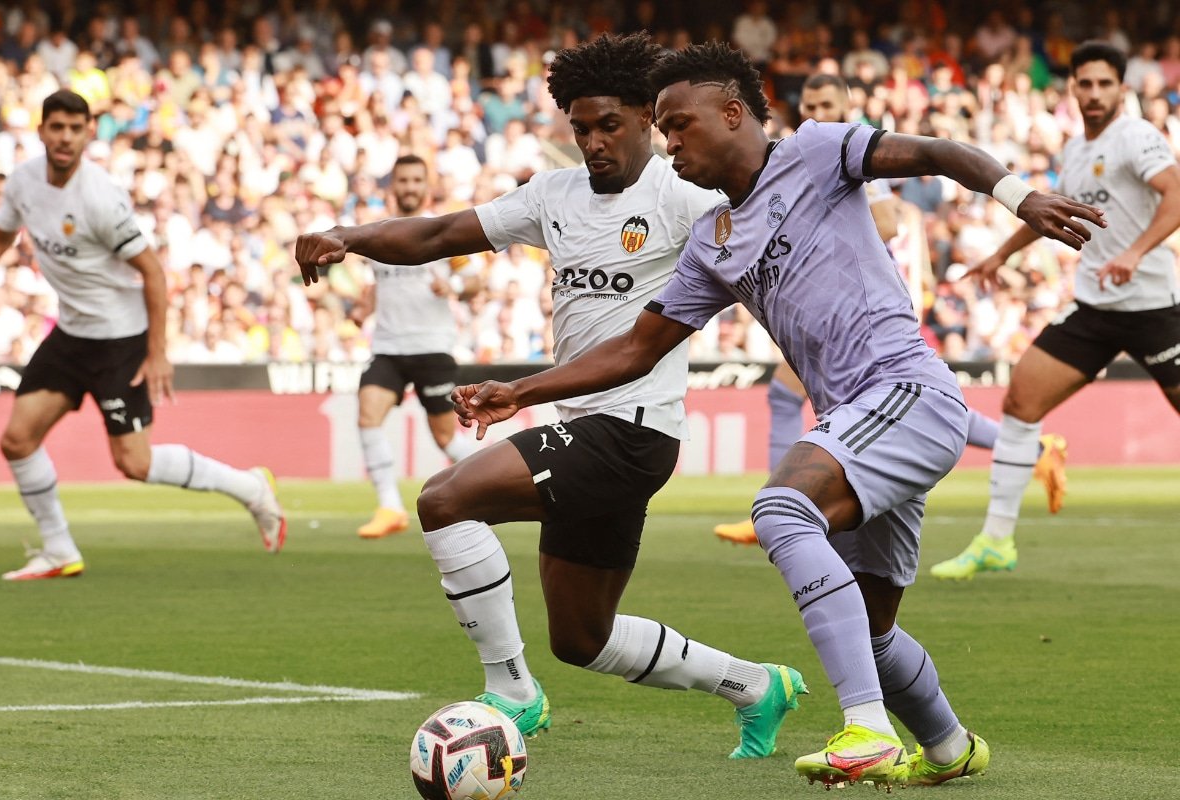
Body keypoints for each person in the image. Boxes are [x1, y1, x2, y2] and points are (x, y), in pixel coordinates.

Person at [453, 42, 1102, 788]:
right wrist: (524, 391)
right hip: (860, 422)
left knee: (782, 509)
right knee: (873, 625)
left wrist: (1022, 197)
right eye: (663, 130)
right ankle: (951, 746)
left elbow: (939, 152)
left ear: (733, 113)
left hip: (906, 390)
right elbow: (637, 348)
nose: (669, 144)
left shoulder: (819, 151)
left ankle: (866, 730)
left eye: (678, 125)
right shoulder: (712, 242)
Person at [295, 33, 807, 760]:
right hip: (590, 428)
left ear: (646, 121)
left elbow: (762, 270)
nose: (594, 143)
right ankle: (757, 686)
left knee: (445, 500)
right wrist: (348, 237)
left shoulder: (683, 199)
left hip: (631, 431)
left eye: (609, 126)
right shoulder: (553, 194)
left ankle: (510, 692)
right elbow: (441, 231)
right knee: (582, 639)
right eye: (580, 128)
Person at [713, 73, 1066, 546]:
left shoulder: (845, 154)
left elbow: (888, 221)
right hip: (828, 306)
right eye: (810, 104)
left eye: (828, 104)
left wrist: (814, 243)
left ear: (848, 104)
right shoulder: (802, 159)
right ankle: (1029, 446)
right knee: (819, 398)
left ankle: (778, 505)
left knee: (800, 394)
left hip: (865, 305)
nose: (817, 113)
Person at [0, 90, 286, 581]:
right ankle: (58, 549)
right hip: (72, 334)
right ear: (40, 131)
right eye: (55, 127)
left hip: (120, 340)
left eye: (74, 129)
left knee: (134, 462)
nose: (63, 137)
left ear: (87, 133)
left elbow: (153, 272)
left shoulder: (100, 196)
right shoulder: (22, 182)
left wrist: (157, 352)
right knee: (17, 441)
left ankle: (251, 487)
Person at [930, 41, 1180, 580]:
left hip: (1154, 307)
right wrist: (1000, 253)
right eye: (1084, 83)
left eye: (1104, 84)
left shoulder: (1135, 136)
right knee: (1021, 399)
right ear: (1072, 87)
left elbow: (1176, 193)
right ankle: (996, 540)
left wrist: (1136, 254)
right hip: (1094, 307)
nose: (1093, 93)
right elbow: (1054, 212)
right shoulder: (1073, 148)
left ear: (1122, 89)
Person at [351, 154, 482, 539]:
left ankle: (494, 486)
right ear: (393, 185)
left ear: (426, 186)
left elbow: (473, 281)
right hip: (388, 347)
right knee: (367, 415)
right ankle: (390, 506)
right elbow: (383, 282)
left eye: (415, 181)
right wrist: (365, 307)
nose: (409, 187)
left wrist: (453, 287)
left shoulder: (443, 231)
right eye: (403, 181)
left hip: (431, 348)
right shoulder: (378, 233)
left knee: (445, 437)